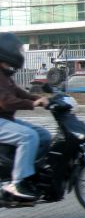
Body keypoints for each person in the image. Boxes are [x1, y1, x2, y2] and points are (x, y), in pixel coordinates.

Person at [0, 33, 52, 201]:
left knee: (44, 135)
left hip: (6, 121)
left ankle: (30, 174)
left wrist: (40, 99)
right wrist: (32, 105)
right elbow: (6, 102)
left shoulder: (5, 75)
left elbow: (20, 93)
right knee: (28, 136)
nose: (19, 53)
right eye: (16, 50)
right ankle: (17, 182)